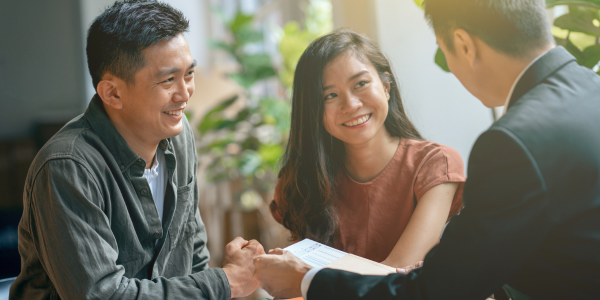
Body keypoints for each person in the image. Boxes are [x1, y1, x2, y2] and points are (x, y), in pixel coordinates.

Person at [254, 0, 600, 299]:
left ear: (463, 43)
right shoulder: (590, 90)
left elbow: (437, 291)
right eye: (330, 94)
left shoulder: (511, 144)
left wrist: (305, 279)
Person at [9, 1, 263, 299]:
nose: (184, 94)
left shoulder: (180, 139)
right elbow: (103, 295)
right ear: (112, 93)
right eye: (168, 80)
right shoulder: (67, 167)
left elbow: (192, 252)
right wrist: (224, 283)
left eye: (189, 75)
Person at [268, 29, 466, 269]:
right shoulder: (299, 181)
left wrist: (304, 274)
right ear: (312, 111)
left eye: (361, 83)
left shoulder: (436, 165)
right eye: (330, 95)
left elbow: (395, 274)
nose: (351, 105)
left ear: (385, 86)